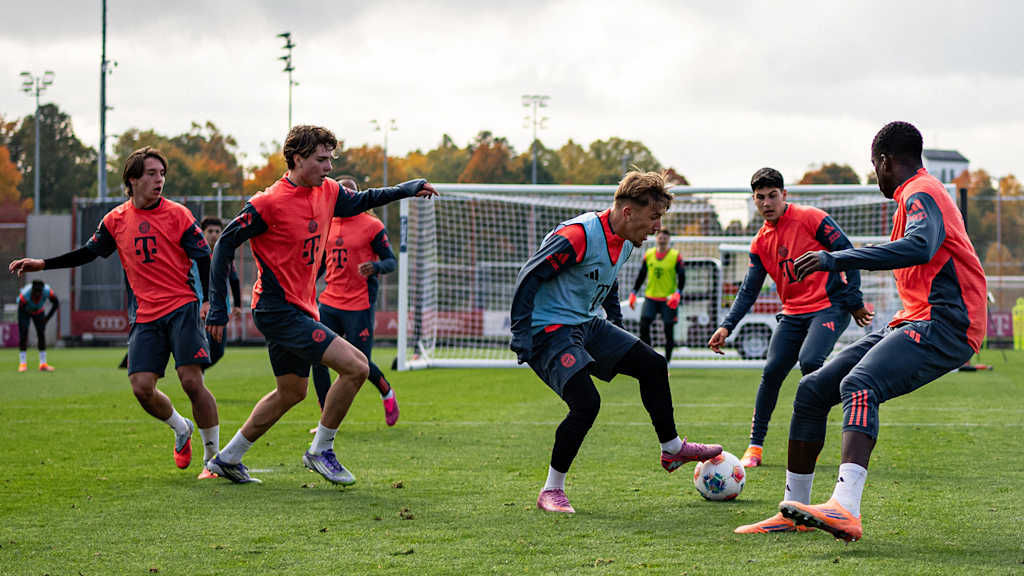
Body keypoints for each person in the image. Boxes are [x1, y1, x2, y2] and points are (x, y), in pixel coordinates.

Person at [737, 121, 987, 541]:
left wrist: (839, 258)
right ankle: (793, 510)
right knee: (812, 389)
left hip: (948, 321)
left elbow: (921, 246)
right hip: (913, 317)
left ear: (884, 162)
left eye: (875, 167)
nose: (876, 176)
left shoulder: (921, 190)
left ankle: (845, 508)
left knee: (859, 385)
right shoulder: (913, 196)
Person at [204, 125, 436, 485]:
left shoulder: (328, 191)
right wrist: (218, 306)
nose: (329, 167)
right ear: (297, 159)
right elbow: (223, 245)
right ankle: (321, 450)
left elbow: (366, 199)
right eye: (321, 159)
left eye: (331, 159)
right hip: (277, 309)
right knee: (357, 367)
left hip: (301, 307)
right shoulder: (268, 203)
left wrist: (407, 188)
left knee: (291, 392)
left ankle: (228, 458)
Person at [510, 170, 722, 514]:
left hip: (586, 323)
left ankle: (672, 449)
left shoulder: (625, 241)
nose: (657, 227)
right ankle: (551, 490)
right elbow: (529, 276)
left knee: (653, 364)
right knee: (586, 403)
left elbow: (607, 282)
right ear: (628, 211)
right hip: (547, 329)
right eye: (654, 217)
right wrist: (521, 333)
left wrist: (618, 329)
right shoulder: (577, 235)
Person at [8, 147, 221, 477]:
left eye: (162, 174)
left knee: (192, 382)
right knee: (141, 387)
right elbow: (88, 253)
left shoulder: (178, 215)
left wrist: (207, 300)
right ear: (132, 179)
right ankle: (181, 428)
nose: (159, 180)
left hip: (182, 306)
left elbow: (204, 258)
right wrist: (43, 264)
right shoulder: (116, 220)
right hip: (145, 315)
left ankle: (212, 460)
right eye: (151, 174)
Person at [707, 168, 873, 468]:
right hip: (793, 313)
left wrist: (854, 301)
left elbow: (847, 253)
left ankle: (812, 440)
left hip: (829, 307)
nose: (767, 203)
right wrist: (726, 326)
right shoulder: (759, 243)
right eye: (760, 197)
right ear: (754, 200)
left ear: (784, 194)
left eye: (773, 195)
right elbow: (749, 290)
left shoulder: (812, 218)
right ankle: (755, 447)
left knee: (810, 362)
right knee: (771, 371)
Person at [311, 176, 400, 427]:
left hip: (359, 304)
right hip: (329, 301)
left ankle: (386, 391)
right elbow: (322, 262)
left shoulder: (372, 225)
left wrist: (376, 266)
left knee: (360, 363)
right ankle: (325, 417)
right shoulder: (326, 223)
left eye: (350, 195)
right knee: (317, 357)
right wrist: (306, 282)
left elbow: (391, 261)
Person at [628, 228, 685, 361]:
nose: (662, 239)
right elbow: (642, 275)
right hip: (651, 297)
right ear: (656, 238)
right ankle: (650, 358)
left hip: (668, 299)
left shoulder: (675, 256)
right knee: (644, 326)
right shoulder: (649, 254)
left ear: (668, 239)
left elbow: (682, 276)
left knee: (668, 331)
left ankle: (667, 362)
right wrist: (633, 292)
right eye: (660, 236)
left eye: (665, 237)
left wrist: (678, 293)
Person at [16, 279, 59, 372]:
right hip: (24, 311)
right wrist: (29, 312)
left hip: (39, 311)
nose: (37, 294)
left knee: (41, 334)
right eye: (35, 292)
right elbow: (21, 305)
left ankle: (43, 364)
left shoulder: (47, 291)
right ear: (32, 290)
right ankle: (22, 364)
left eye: (39, 292)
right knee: (23, 333)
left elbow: (56, 303)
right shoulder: (25, 294)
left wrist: (47, 318)